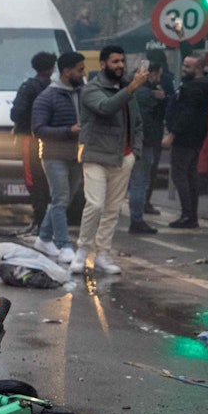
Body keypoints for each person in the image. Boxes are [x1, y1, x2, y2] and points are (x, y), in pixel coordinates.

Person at [70, 45, 148, 276]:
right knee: (95, 205)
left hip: (123, 157)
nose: (120, 65)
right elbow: (106, 108)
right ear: (103, 64)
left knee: (112, 209)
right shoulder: (91, 89)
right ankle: (82, 251)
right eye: (115, 62)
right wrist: (132, 87)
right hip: (96, 156)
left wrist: (135, 153)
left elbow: (138, 123)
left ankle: (102, 253)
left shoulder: (126, 88)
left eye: (122, 61)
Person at [31, 51, 85, 264]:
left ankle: (44, 238)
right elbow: (38, 129)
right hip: (54, 156)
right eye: (80, 70)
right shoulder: (48, 97)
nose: (83, 74)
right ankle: (64, 245)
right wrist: (68, 131)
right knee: (60, 199)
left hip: (77, 155)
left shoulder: (82, 92)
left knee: (64, 200)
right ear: (67, 71)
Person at [163, 55, 208, 229]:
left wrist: (173, 133)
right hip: (195, 136)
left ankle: (187, 215)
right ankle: (190, 215)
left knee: (180, 175)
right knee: (190, 175)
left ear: (198, 68)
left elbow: (187, 113)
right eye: (184, 65)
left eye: (188, 66)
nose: (184, 69)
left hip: (185, 137)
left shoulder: (194, 87)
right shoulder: (199, 84)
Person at [10, 52, 56, 236]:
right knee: (47, 180)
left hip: (30, 139)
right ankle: (45, 221)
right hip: (52, 140)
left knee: (32, 180)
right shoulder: (55, 87)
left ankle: (39, 220)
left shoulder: (28, 87)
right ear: (52, 68)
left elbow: (16, 113)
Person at [127, 60, 166, 235]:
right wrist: (161, 100)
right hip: (143, 143)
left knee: (130, 181)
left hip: (128, 141)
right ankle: (136, 220)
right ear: (151, 75)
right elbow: (150, 121)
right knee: (140, 181)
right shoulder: (146, 95)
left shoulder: (130, 89)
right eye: (158, 75)